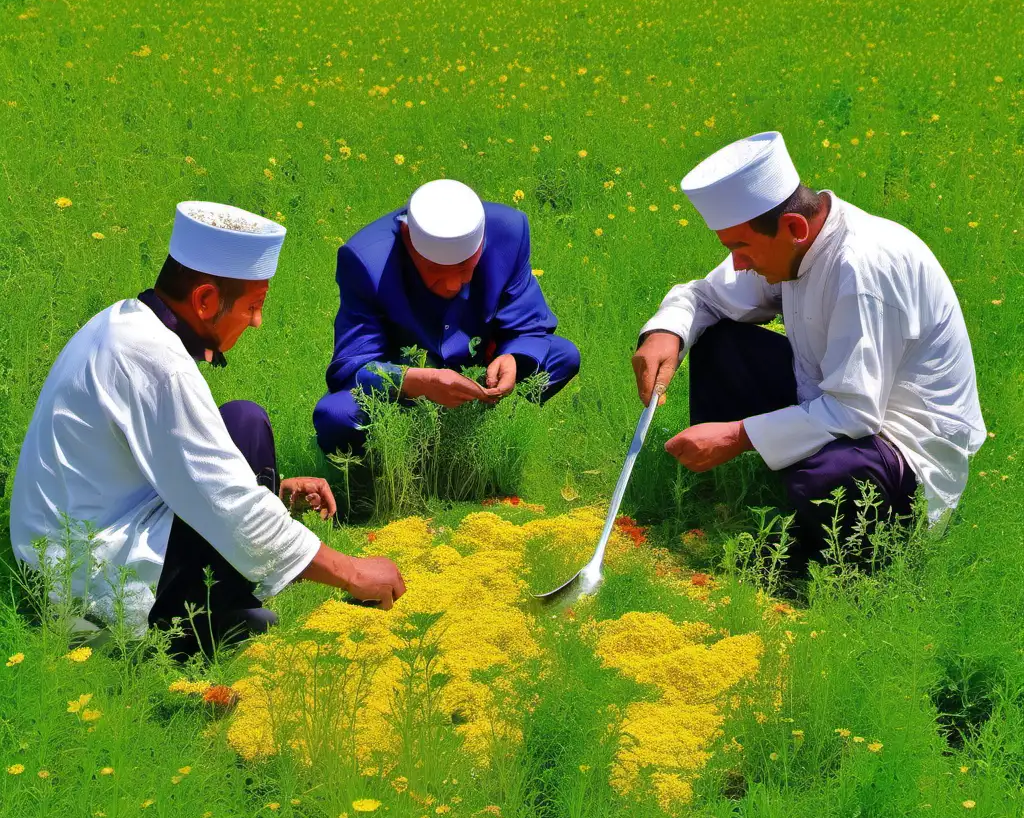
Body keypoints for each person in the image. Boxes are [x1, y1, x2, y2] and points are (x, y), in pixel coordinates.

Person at [11, 201, 405, 656]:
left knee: (244, 421)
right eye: (254, 305)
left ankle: (225, 606)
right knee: (243, 449)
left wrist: (272, 500)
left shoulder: (122, 321)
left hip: (74, 548)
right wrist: (353, 571)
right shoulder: (158, 361)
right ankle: (183, 634)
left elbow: (184, 465)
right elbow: (229, 504)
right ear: (205, 300)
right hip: (91, 594)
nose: (257, 320)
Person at [632, 131, 986, 572]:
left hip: (901, 449)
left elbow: (856, 412)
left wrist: (736, 435)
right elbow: (707, 297)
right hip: (830, 399)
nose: (738, 263)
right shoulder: (794, 242)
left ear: (794, 228)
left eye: (740, 247)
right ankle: (726, 488)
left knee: (834, 477)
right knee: (718, 337)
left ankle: (822, 562)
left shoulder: (862, 267)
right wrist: (666, 333)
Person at [313, 179, 580, 455]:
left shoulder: (509, 233)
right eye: (435, 271)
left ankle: (483, 441)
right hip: (405, 388)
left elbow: (530, 324)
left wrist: (512, 358)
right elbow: (351, 369)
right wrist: (420, 382)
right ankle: (396, 462)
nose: (452, 285)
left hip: (478, 371)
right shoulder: (367, 261)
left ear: (482, 244)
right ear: (407, 238)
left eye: (465, 268)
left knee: (562, 356)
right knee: (337, 414)